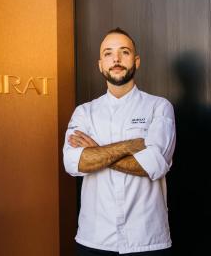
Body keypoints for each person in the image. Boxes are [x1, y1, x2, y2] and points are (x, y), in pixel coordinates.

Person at [63, 28, 176, 256]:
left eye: (124, 52)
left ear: (136, 61)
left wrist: (96, 151)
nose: (116, 59)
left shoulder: (159, 107)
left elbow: (152, 165)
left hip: (147, 239)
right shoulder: (84, 112)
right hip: (94, 239)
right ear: (100, 65)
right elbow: (74, 163)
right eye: (108, 53)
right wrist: (128, 146)